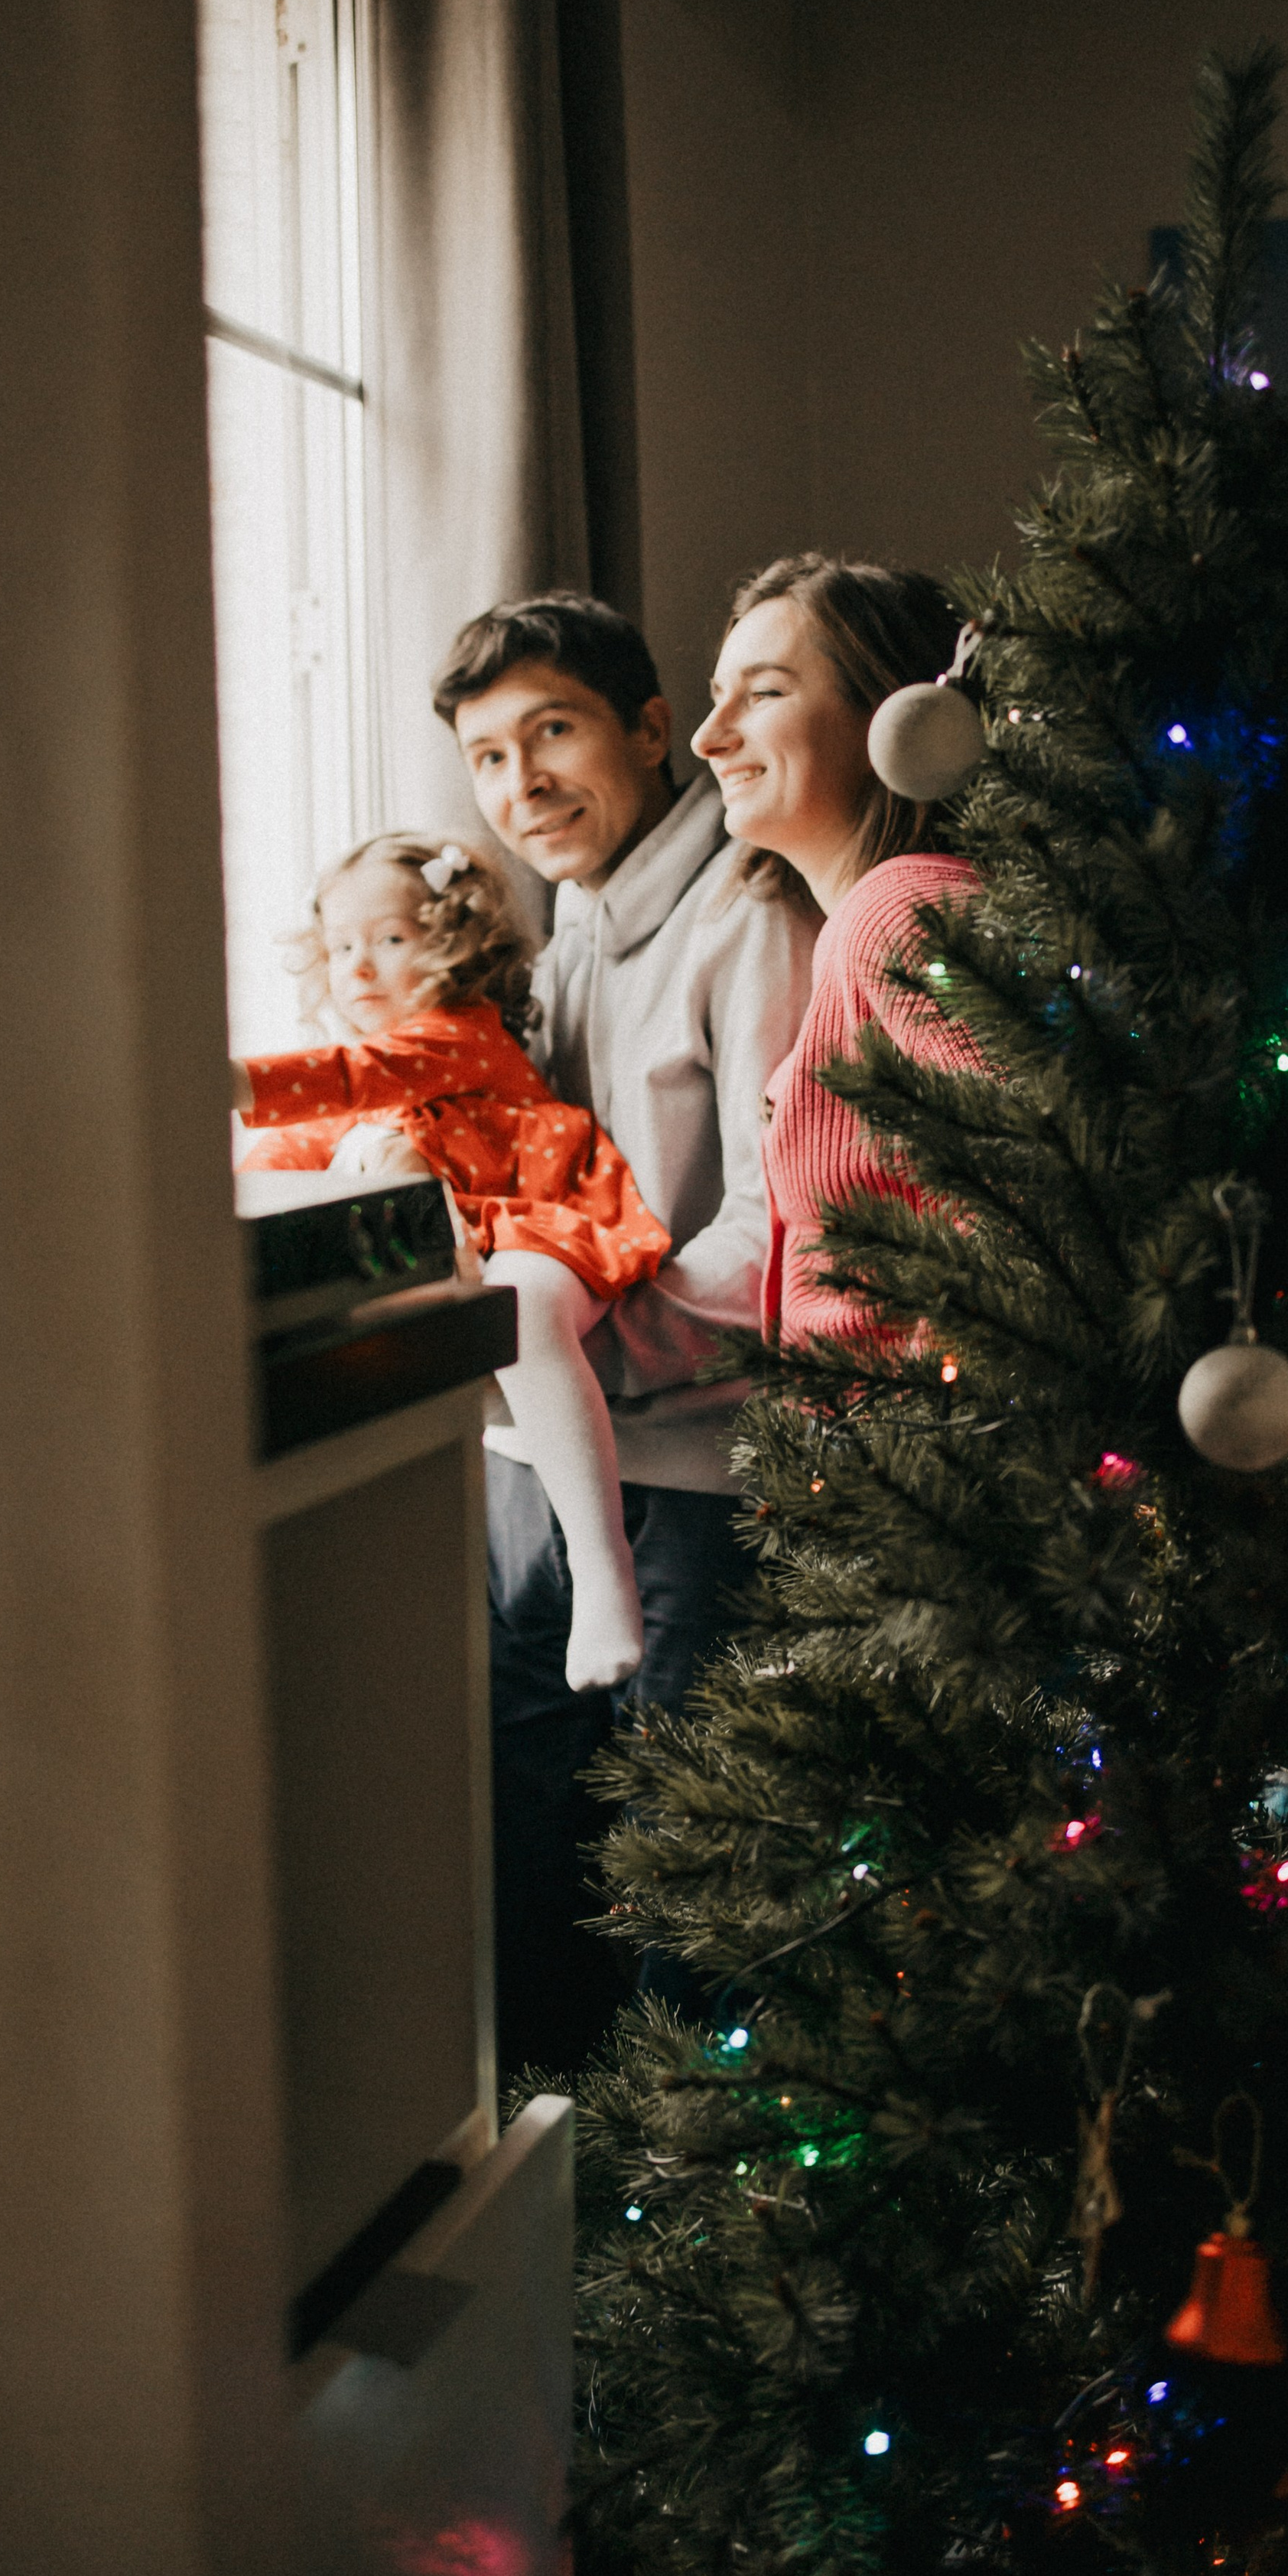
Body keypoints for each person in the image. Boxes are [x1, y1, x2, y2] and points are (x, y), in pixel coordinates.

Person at [436, 592, 818, 2078]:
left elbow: (778, 1229)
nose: (519, 784)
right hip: (526, 1470)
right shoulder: (556, 938)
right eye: (486, 757)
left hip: (688, 1478)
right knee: (527, 1862)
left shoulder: (751, 917)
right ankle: (557, 2176)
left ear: (651, 731)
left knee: (682, 1877)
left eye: (552, 732)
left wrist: (573, 1363)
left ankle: (683, 2181)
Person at [231, 833, 670, 1692]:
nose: (359, 968)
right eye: (341, 947)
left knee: (521, 1301)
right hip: (461, 1259)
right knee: (363, 1174)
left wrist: (233, 1082)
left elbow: (357, 1074)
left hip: (538, 1220)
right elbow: (273, 1170)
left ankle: (601, 1567)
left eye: (390, 939)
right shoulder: (352, 1102)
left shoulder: (461, 1036)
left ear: (454, 945)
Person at [690, 552, 986, 1344]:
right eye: (716, 698)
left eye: (763, 694)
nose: (707, 739)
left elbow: (1043, 1206)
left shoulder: (901, 910)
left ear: (891, 712)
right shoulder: (867, 922)